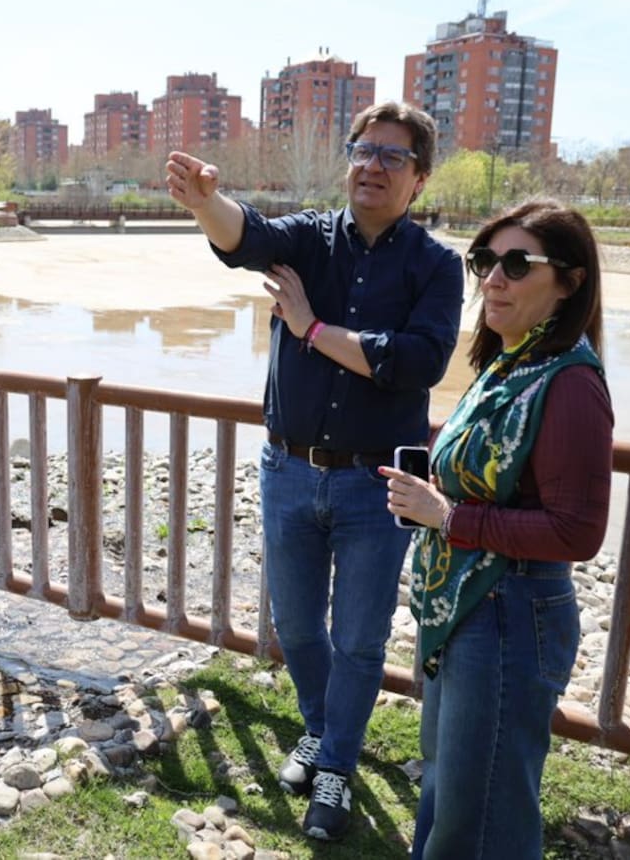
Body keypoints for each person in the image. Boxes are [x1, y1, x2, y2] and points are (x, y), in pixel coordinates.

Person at [165, 101, 464, 841]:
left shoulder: (436, 266)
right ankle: (323, 732)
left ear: (419, 179)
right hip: (290, 471)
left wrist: (311, 331)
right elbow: (247, 239)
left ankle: (333, 767)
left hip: (375, 484)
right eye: (362, 150)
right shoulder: (309, 238)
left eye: (392, 157)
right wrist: (209, 203)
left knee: (360, 639)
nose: (371, 166)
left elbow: (416, 362)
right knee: (298, 626)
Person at [381, 198, 613, 859]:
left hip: (509, 615)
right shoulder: (510, 366)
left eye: (517, 263)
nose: (493, 279)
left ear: (568, 281)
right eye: (485, 261)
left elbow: (577, 532)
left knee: (481, 815)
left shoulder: (568, 383)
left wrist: (450, 517)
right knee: (451, 793)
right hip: (471, 608)